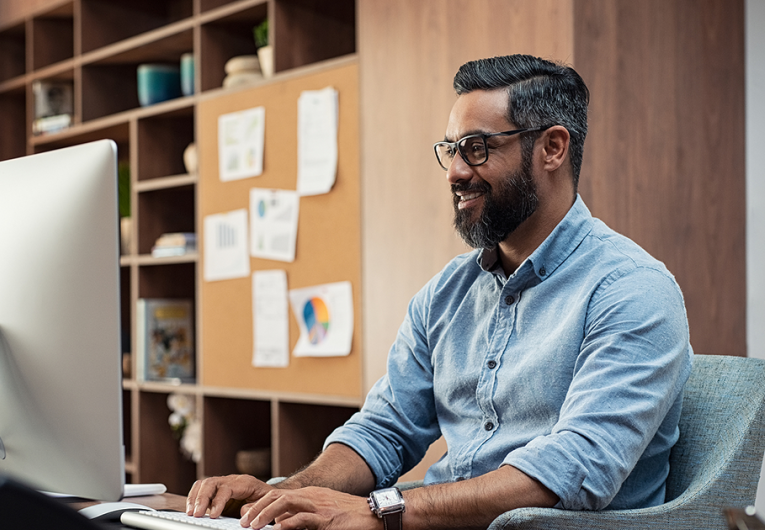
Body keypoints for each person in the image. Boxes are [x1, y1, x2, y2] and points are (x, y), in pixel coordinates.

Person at [186, 54, 693, 530]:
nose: (454, 172)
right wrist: (287, 495)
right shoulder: (447, 293)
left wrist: (381, 510)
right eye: (451, 150)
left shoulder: (632, 290)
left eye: (477, 148)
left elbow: (571, 469)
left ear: (552, 148)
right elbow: (385, 430)